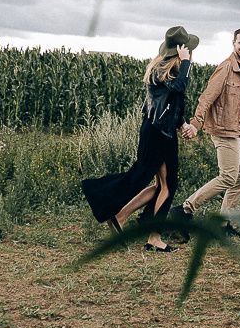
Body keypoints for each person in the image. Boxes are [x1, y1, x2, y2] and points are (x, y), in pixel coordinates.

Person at [81, 26, 197, 251]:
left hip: (155, 130)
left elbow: (171, 104)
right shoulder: (170, 71)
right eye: (187, 49)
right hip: (160, 134)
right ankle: (154, 238)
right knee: (167, 187)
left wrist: (182, 124)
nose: (191, 53)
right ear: (181, 50)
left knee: (158, 185)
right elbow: (180, 89)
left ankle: (120, 217)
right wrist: (186, 63)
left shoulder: (161, 68)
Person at [175, 28, 240, 236]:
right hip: (223, 130)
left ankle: (222, 223)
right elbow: (207, 98)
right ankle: (184, 209)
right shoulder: (226, 68)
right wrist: (196, 124)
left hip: (237, 131)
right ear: (233, 43)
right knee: (228, 176)